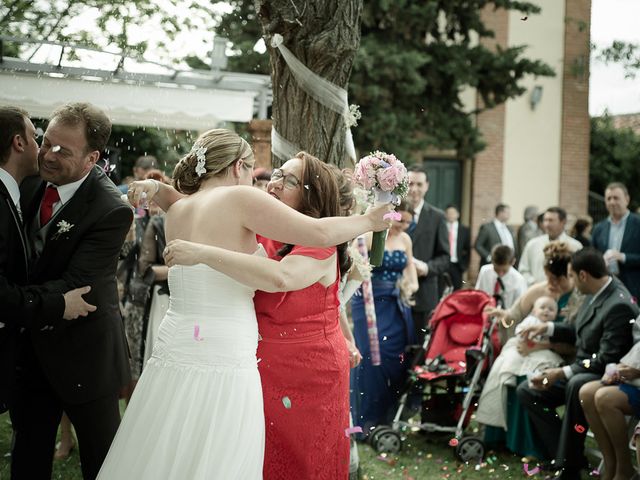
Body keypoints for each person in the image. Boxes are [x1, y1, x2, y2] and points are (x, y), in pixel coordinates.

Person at [97, 132, 391, 479]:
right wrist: (369, 222)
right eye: (256, 172)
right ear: (239, 167)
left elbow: (196, 207)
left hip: (176, 341)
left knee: (173, 434)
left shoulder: (178, 208)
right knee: (219, 446)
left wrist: (157, 189)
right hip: (225, 345)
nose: (262, 181)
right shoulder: (239, 198)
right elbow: (319, 233)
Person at [11, 103, 133, 480]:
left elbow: (76, 282)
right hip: (31, 349)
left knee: (102, 461)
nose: (48, 154)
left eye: (63, 150)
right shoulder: (30, 180)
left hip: (86, 354)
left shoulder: (111, 208)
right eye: (46, 143)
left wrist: (13, 298)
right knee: (28, 453)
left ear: (91, 158)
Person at [0, 106, 95, 415]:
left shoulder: (16, 191)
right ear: (19, 143)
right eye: (37, 138)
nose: (45, 151)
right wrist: (59, 305)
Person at [517, 248, 638, 480]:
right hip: (581, 368)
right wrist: (548, 328)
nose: (569, 281)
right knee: (527, 390)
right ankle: (564, 454)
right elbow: (579, 331)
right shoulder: (595, 292)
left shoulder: (618, 304)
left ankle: (568, 468)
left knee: (575, 383)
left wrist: (560, 372)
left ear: (583, 275)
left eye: (571, 275)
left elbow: (606, 359)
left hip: (603, 374)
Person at [482, 242, 583, 457]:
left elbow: (577, 339)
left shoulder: (579, 298)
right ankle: (502, 438)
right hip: (527, 347)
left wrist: (543, 345)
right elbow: (513, 317)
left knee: (527, 378)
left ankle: (532, 445)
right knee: (505, 372)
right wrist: (504, 318)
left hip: (561, 354)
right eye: (548, 278)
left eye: (557, 279)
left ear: (569, 275)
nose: (551, 284)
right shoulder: (538, 290)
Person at [350, 200, 418, 432]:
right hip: (369, 302)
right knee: (370, 354)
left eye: (409, 222)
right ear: (391, 215)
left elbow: (411, 273)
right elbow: (354, 267)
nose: (404, 226)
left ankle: (389, 415)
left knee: (396, 356)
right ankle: (367, 417)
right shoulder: (370, 236)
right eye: (401, 220)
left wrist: (410, 287)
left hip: (396, 303)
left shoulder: (405, 240)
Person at [476, 296, 563, 430]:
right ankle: (509, 376)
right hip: (523, 348)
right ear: (534, 311)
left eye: (551, 310)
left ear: (556, 314)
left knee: (544, 363)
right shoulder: (531, 321)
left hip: (540, 353)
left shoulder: (554, 327)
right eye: (542, 308)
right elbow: (520, 331)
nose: (546, 311)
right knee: (509, 361)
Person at [579, 321, 640, 480]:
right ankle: (610, 462)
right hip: (634, 376)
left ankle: (623, 467)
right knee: (587, 393)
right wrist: (621, 368)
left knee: (604, 399)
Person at [406, 165, 449, 344]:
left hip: (424, 294)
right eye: (410, 184)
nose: (414, 189)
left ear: (427, 186)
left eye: (419, 184)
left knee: (419, 347)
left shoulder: (438, 217)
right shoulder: (391, 213)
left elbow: (445, 258)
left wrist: (426, 268)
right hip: (394, 293)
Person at [591, 182, 640, 301]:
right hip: (606, 287)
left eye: (616, 198)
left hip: (634, 288)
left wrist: (623, 257)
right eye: (609, 198)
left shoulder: (638, 224)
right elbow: (593, 255)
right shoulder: (599, 228)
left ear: (627, 199)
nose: (612, 202)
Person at [518, 207, 583, 285]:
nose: (547, 224)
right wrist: (533, 282)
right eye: (545, 220)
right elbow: (523, 270)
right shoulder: (532, 244)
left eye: (551, 220)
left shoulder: (575, 246)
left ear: (563, 222)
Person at [475, 245, 527, 314]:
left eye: (504, 270)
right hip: (486, 314)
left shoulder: (519, 280)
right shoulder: (485, 272)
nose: (500, 274)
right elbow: (478, 294)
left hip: (507, 318)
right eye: (496, 269)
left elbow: (520, 308)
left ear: (513, 262)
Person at [474, 203, 516, 267]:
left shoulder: (510, 228)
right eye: (507, 212)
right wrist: (489, 257)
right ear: (500, 213)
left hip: (509, 265)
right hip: (492, 265)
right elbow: (478, 245)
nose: (510, 215)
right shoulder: (487, 228)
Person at [443, 204, 470, 291]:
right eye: (449, 213)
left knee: (457, 288)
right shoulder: (441, 227)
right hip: (443, 263)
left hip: (457, 265)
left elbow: (468, 249)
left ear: (458, 214)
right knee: (442, 287)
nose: (451, 215)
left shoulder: (464, 230)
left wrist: (464, 266)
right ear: (445, 215)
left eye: (453, 213)